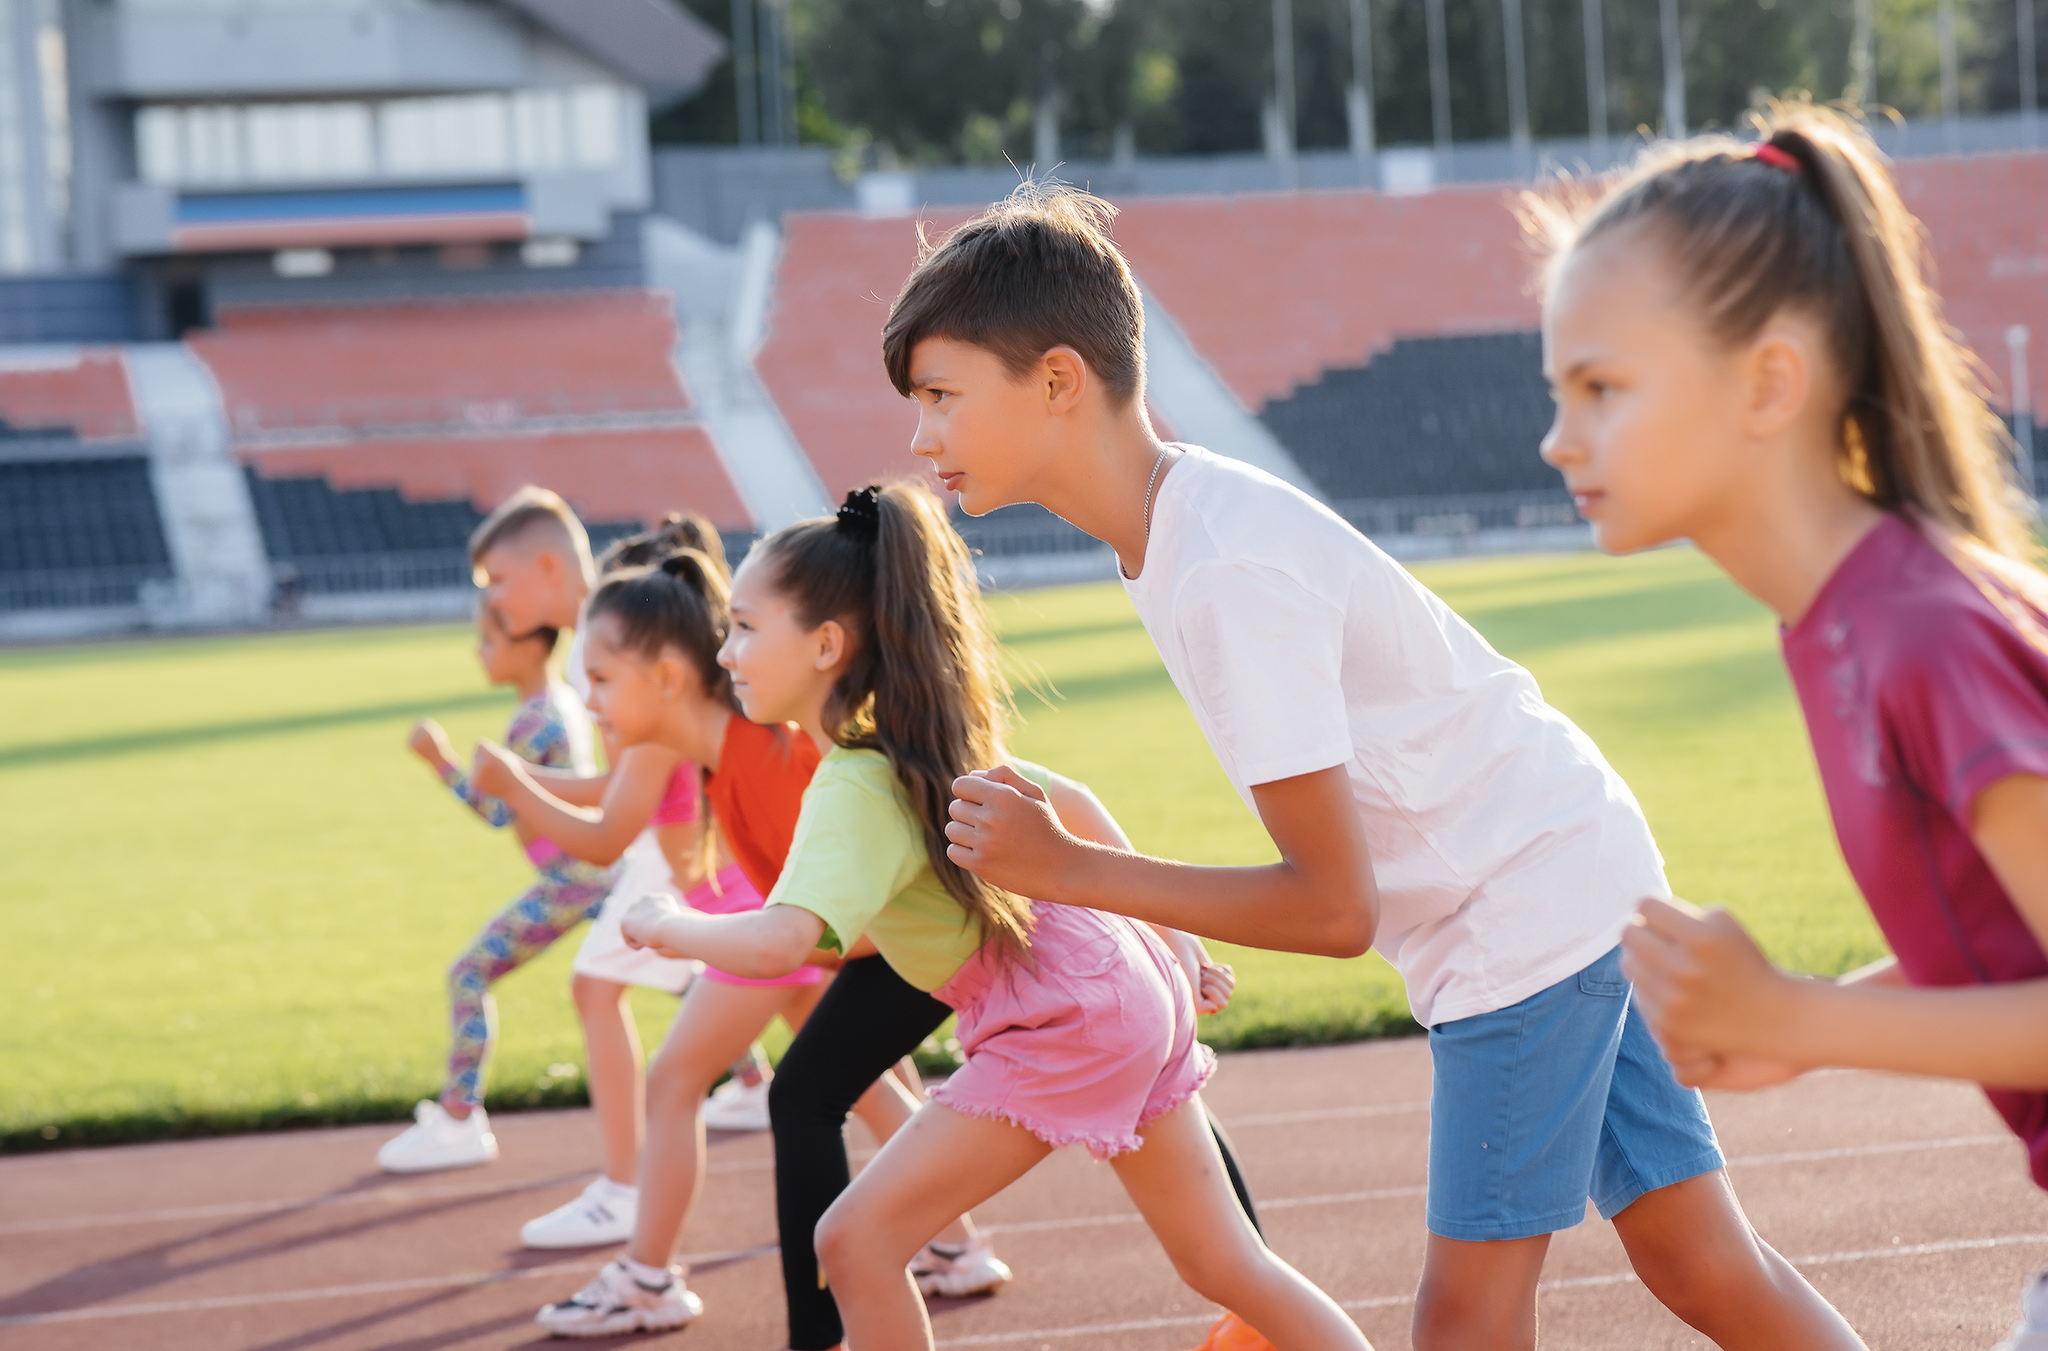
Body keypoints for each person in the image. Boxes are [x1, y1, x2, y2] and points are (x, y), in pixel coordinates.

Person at [894, 183, 1867, 1350]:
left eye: (941, 396)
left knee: (1463, 1326)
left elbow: (1330, 907)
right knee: (1701, 1262)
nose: (921, 437)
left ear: (1057, 380)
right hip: (1565, 859)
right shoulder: (1175, 533)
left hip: (1521, 909)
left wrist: (1069, 870)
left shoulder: (1219, 566)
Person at [1524, 103, 2048, 1350]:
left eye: (1601, 387)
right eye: (1558, 391)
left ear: (1767, 381)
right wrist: (1799, 1017)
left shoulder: (1920, 631)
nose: (1556, 436)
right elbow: (2001, 940)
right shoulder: (1843, 624)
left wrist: (1797, 1018)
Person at [613, 482, 1365, 1351]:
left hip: (1063, 1017)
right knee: (1224, 1262)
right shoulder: (922, 738)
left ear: (826, 644)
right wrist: (1178, 949)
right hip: (1122, 985)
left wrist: (666, 923)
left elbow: (786, 938)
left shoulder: (855, 782)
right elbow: (1074, 801)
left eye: (745, 626)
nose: (726, 648)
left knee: (853, 1240)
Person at [481, 546, 1013, 1335]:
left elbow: (807, 906)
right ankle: (944, 1247)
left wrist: (682, 929)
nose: (586, 702)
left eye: (599, 679)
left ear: (666, 676)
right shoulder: (726, 765)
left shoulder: (775, 753)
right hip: (839, 944)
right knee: (828, 1088)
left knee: (691, 1081)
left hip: (858, 939)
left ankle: (658, 1279)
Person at [463, 489, 692, 1246]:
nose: (493, 600)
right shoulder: (614, 622)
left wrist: (516, 783)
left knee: (599, 991)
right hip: (681, 839)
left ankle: (625, 1194)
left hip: (684, 845)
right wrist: (515, 781)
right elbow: (615, 784)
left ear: (549, 566)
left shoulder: (615, 628)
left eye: (498, 580)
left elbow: (609, 822)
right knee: (808, 1022)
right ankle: (952, 1229)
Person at [376, 601, 608, 1172]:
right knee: (679, 973)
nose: (477, 651)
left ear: (529, 646)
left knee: (468, 975)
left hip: (571, 879)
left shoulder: (533, 719)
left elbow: (498, 811)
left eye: (487, 640)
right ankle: (754, 1076)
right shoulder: (564, 703)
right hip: (594, 872)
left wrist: (440, 760)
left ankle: (460, 1116)